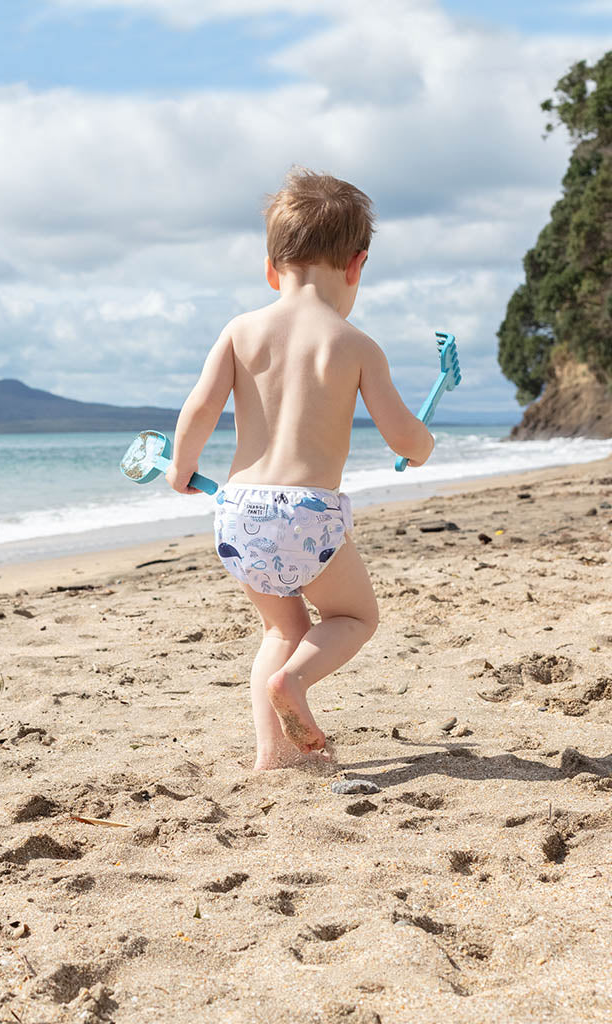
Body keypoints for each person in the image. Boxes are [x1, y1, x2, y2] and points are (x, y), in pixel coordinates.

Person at [166, 167, 434, 769]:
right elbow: (402, 433)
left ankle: (276, 757)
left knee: (279, 630)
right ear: (356, 266)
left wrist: (182, 468)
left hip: (237, 514)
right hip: (308, 517)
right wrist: (421, 447)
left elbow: (200, 406)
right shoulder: (354, 344)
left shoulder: (240, 331)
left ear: (271, 269)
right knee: (352, 616)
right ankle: (295, 685)